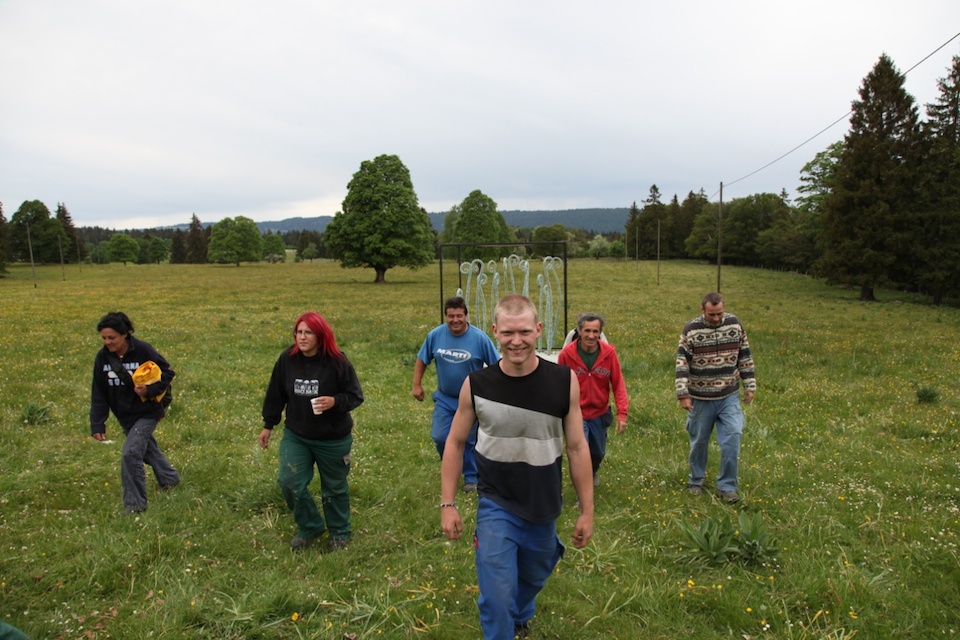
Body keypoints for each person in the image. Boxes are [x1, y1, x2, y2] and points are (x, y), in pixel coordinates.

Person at [441, 294, 594, 640]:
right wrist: (448, 503)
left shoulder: (564, 381)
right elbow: (455, 442)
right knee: (496, 598)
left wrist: (587, 510)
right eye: (508, 333)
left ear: (538, 330)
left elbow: (576, 447)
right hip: (496, 503)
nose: (516, 341)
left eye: (524, 332)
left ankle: (521, 610)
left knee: (536, 573)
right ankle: (503, 625)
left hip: (543, 504)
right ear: (495, 331)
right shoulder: (476, 385)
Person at [259, 311, 364, 551]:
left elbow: (355, 396)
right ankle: (310, 526)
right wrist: (268, 425)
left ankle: (339, 533)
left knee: (334, 488)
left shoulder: (337, 362)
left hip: (333, 438)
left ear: (320, 336)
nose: (302, 337)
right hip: (298, 435)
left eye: (308, 332)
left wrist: (334, 402)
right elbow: (275, 393)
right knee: (289, 482)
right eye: (299, 332)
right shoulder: (287, 359)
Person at [90, 311, 180, 514]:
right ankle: (170, 478)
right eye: (104, 338)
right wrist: (97, 423)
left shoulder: (143, 350)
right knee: (147, 449)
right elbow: (99, 392)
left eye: (112, 337)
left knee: (130, 454)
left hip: (148, 412)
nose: (107, 342)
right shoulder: (102, 357)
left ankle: (135, 506)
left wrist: (149, 390)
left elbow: (167, 372)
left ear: (125, 334)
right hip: (125, 415)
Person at [412, 296, 500, 493]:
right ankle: (452, 464)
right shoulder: (435, 335)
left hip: (470, 400)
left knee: (468, 439)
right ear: (446, 316)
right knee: (440, 436)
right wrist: (416, 385)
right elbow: (422, 359)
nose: (455, 320)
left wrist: (494, 391)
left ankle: (471, 477)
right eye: (451, 316)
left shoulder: (479, 339)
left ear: (466, 315)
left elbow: (496, 366)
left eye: (459, 315)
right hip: (445, 398)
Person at [675, 292, 756, 503]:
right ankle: (696, 480)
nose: (716, 318)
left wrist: (749, 385)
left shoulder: (735, 325)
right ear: (702, 310)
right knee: (699, 441)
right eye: (711, 314)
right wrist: (683, 394)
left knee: (733, 436)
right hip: (700, 398)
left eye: (719, 313)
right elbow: (682, 363)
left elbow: (745, 355)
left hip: (729, 395)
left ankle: (727, 487)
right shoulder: (691, 330)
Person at [557, 312, 629, 487]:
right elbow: (558, 385)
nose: (591, 336)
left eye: (595, 331)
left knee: (597, 452)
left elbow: (618, 383)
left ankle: (592, 471)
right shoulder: (567, 354)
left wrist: (622, 413)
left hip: (599, 413)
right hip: (576, 413)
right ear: (579, 331)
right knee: (580, 453)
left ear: (600, 333)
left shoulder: (609, 354)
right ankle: (582, 491)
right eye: (587, 331)